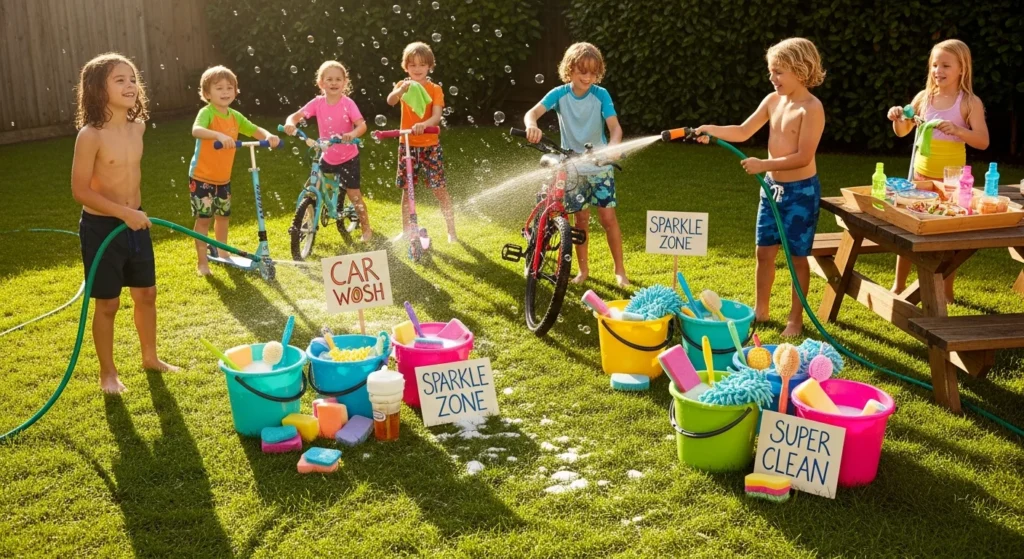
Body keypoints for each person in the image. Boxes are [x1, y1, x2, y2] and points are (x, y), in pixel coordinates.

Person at [695, 37, 826, 337]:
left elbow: (803, 156)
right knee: (763, 253)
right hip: (771, 191)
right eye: (771, 71)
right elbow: (743, 131)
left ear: (801, 69)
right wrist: (709, 129)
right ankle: (761, 309)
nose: (772, 78)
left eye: (779, 72)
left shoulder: (811, 108)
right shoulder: (772, 101)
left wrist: (763, 165)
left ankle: (795, 319)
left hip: (800, 193)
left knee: (796, 258)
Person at [71, 52, 178, 394]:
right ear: (97, 90)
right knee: (108, 303)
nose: (130, 85)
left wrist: (133, 214)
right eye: (120, 80)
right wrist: (124, 214)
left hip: (136, 223)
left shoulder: (138, 127)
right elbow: (80, 191)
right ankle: (108, 374)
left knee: (146, 293)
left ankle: (150, 357)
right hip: (103, 229)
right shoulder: (90, 136)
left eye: (132, 79)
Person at [886, 39, 989, 299]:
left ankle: (946, 291)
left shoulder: (969, 102)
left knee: (947, 237)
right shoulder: (924, 98)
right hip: (920, 177)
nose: (938, 71)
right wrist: (898, 118)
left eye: (945, 65)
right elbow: (903, 131)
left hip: (952, 182)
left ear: (961, 69)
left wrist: (958, 130)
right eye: (934, 65)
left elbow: (983, 141)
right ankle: (898, 285)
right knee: (910, 230)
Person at [523, 42, 628, 287]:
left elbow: (615, 127)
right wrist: (532, 125)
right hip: (572, 168)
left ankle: (620, 271)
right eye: (583, 72)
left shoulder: (601, 95)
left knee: (608, 219)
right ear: (569, 70)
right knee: (580, 222)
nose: (588, 77)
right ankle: (583, 270)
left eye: (593, 72)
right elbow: (532, 113)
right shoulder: (559, 94)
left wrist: (613, 147)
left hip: (600, 166)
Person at [189, 65, 280, 275]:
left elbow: (254, 130)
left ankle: (222, 253)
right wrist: (217, 135)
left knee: (223, 216)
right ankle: (202, 262)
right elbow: (196, 130)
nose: (225, 92)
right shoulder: (207, 113)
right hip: (202, 176)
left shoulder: (235, 117)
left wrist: (268, 136)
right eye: (219, 88)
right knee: (204, 220)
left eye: (229, 87)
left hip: (223, 178)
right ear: (207, 94)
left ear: (236, 91)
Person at [283, 60, 372, 242]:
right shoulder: (318, 103)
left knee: (354, 195)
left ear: (345, 83)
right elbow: (295, 116)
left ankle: (366, 228)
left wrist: (351, 133)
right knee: (314, 186)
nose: (333, 83)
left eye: (338, 79)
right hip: (327, 154)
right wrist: (290, 123)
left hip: (348, 156)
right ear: (321, 83)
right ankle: (308, 221)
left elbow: (361, 125)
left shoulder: (348, 103)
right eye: (329, 79)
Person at [386, 41, 457, 243]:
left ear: (429, 66)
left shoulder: (435, 89)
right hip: (407, 145)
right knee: (407, 190)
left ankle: (451, 231)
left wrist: (423, 124)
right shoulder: (403, 86)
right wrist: (400, 91)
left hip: (429, 145)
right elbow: (391, 100)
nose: (417, 69)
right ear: (406, 67)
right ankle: (406, 231)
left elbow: (436, 116)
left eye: (421, 65)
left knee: (439, 188)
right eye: (412, 65)